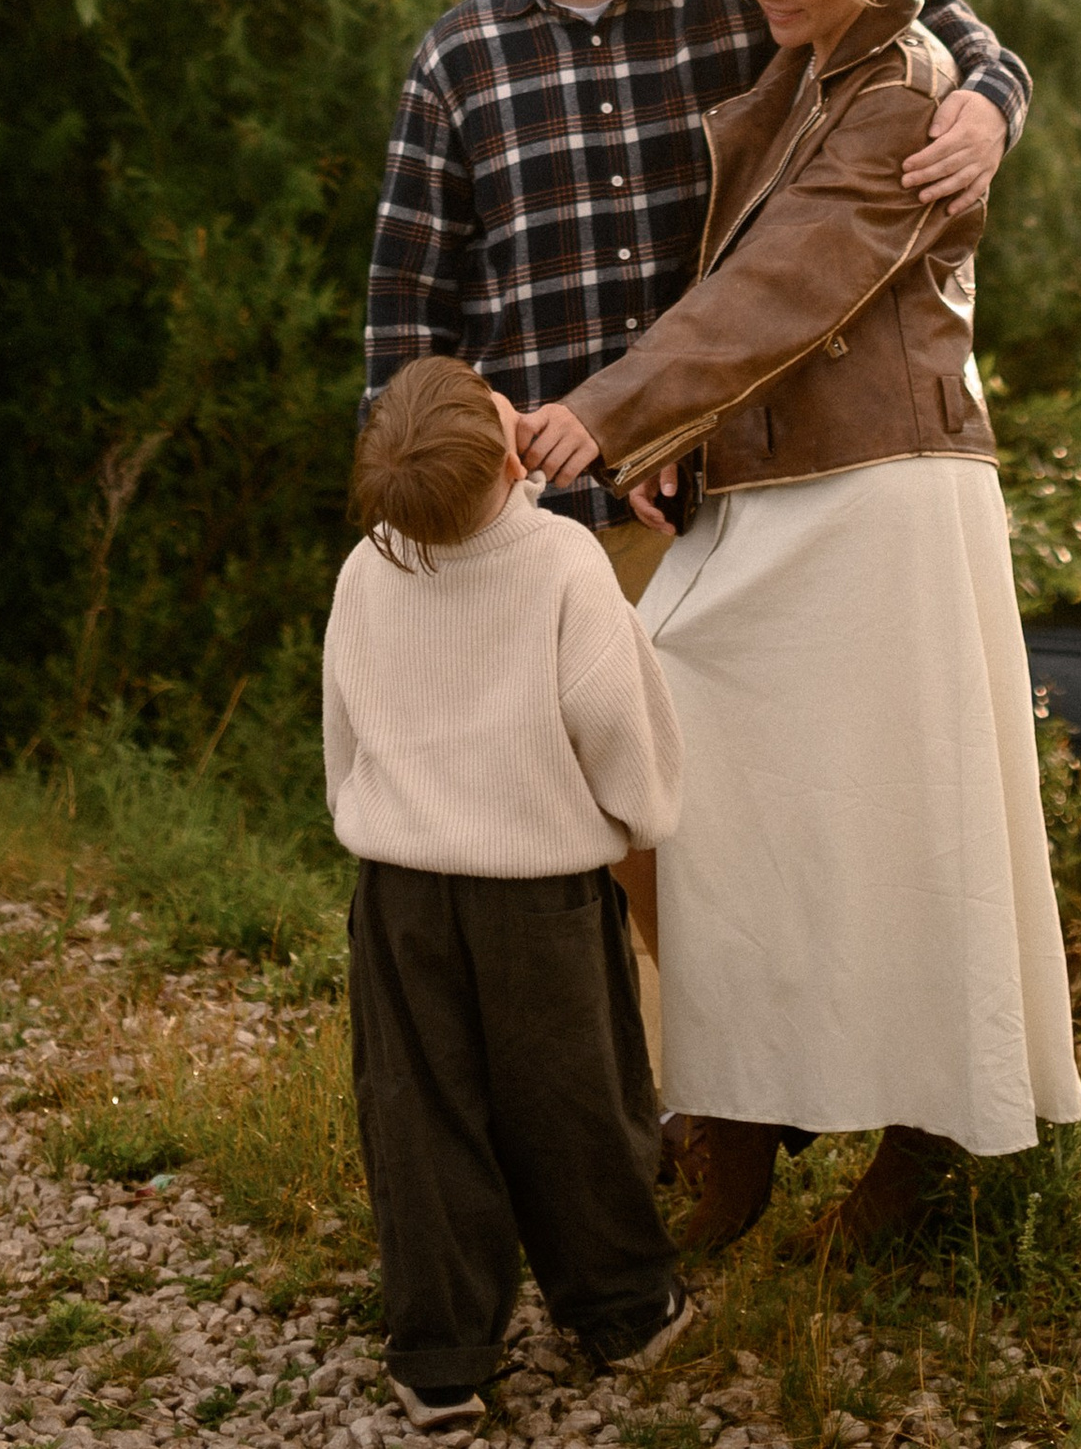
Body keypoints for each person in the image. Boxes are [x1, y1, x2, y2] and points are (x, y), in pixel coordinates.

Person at [520, 0, 1081, 1258]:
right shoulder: (809, 54)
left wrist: (609, 414)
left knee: (896, 818)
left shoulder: (903, 92)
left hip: (888, 493)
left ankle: (914, 1146)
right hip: (785, 483)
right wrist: (680, 437)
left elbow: (788, 286)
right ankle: (743, 1112)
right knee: (667, 758)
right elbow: (766, 299)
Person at [366, 0, 1032, 612]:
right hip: (523, 509)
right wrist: (406, 517)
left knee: (696, 741)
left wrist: (994, 92)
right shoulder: (457, 60)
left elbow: (903, 9)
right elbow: (406, 309)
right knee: (522, 747)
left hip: (703, 509)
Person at [322, 356, 694, 1433]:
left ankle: (440, 1359)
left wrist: (386, 817)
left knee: (421, 1114)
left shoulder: (364, 569)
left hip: (398, 894)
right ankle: (623, 1310)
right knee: (576, 1106)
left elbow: (345, 737)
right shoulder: (560, 560)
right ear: (498, 463)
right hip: (540, 894)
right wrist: (634, 821)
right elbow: (619, 728)